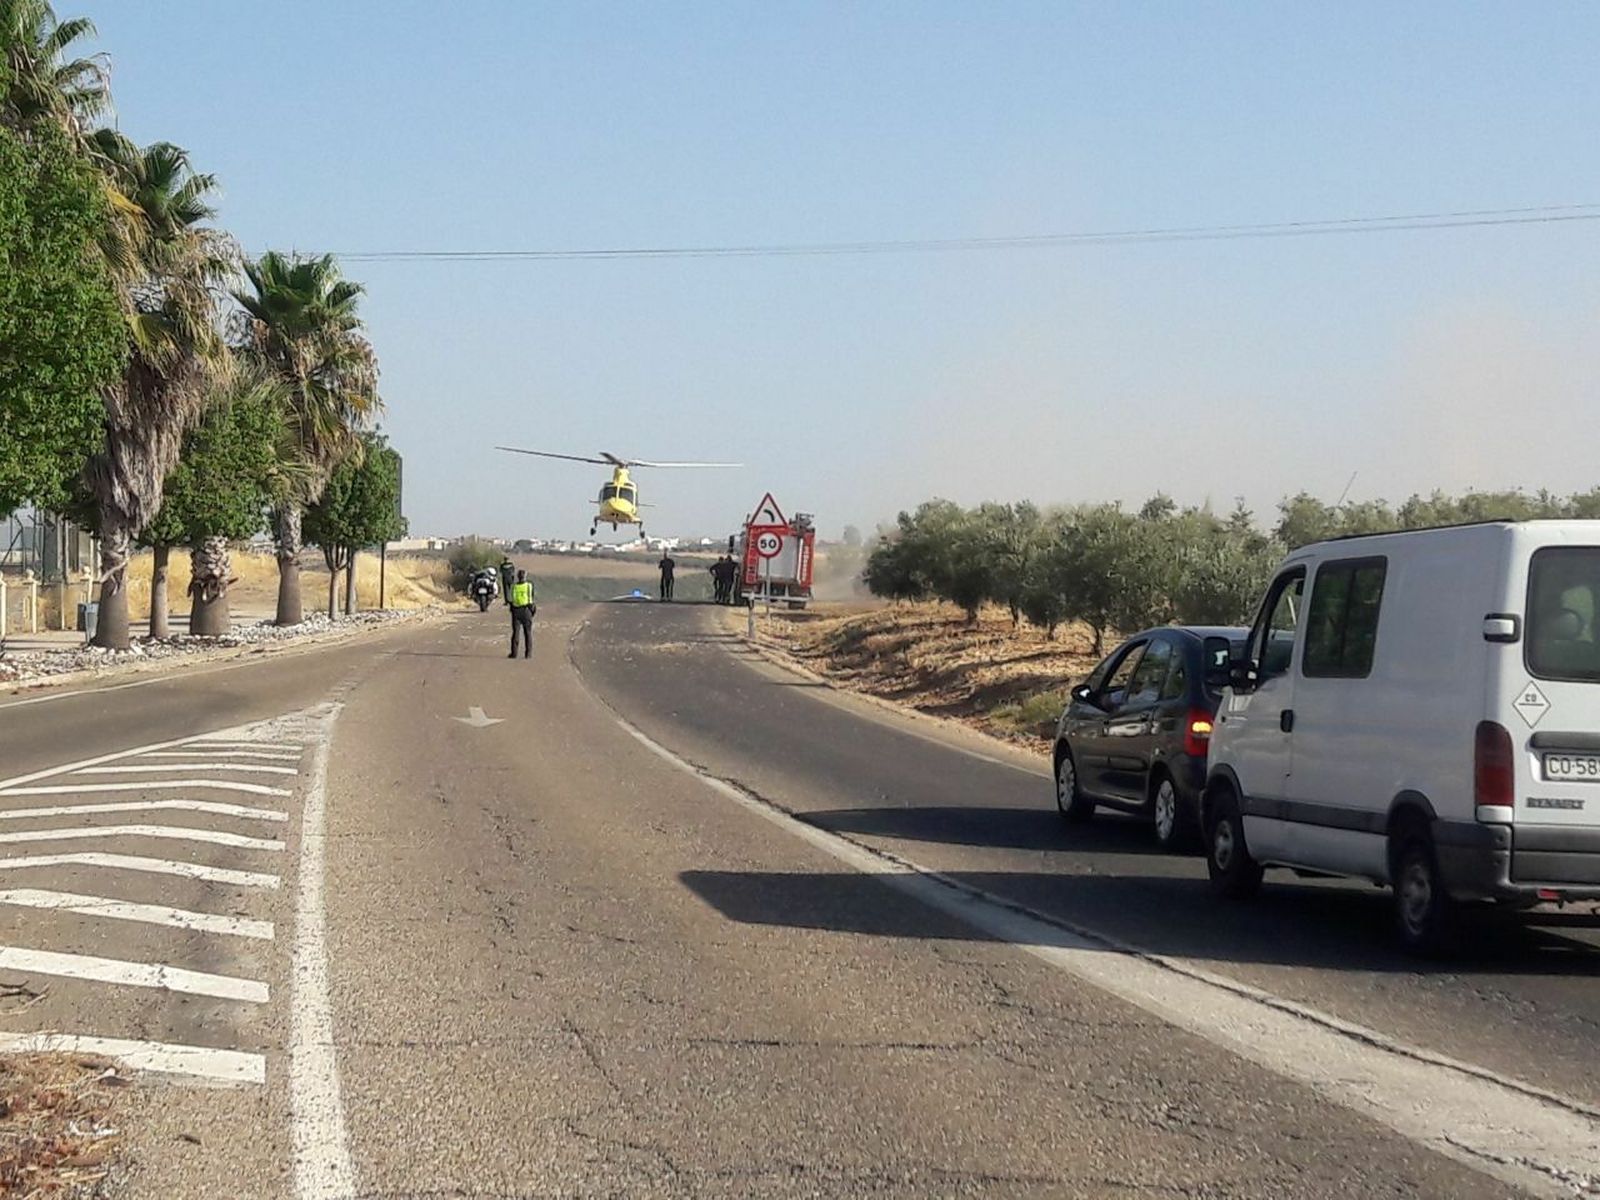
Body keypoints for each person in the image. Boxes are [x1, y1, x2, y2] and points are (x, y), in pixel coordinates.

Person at [507, 569, 535, 659]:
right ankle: (528, 654)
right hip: (526, 609)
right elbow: (531, 599)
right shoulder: (528, 586)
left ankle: (514, 653)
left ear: (518, 577)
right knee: (528, 633)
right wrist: (532, 611)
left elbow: (510, 600)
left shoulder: (513, 586)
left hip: (516, 610)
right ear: (525, 576)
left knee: (516, 633)